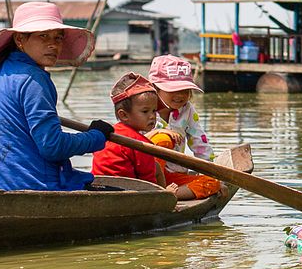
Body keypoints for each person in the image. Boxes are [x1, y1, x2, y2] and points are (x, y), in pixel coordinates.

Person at [0, 1, 114, 191]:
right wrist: (96, 136)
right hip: (32, 188)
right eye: (43, 36)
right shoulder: (33, 80)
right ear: (20, 40)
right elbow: (52, 146)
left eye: (58, 38)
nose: (53, 45)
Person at [92, 73, 220, 199]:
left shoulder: (111, 132)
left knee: (160, 164)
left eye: (154, 111)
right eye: (145, 112)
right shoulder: (140, 143)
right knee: (211, 184)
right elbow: (147, 183)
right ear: (124, 115)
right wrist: (164, 196)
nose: (152, 116)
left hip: (99, 186)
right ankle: (171, 195)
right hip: (128, 193)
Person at [147, 54, 211, 158]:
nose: (180, 95)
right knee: (163, 138)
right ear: (155, 88)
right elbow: (135, 139)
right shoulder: (144, 110)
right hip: (149, 170)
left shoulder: (187, 109)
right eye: (173, 90)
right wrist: (158, 132)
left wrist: (210, 167)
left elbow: (199, 140)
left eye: (185, 90)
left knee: (207, 175)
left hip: (177, 171)